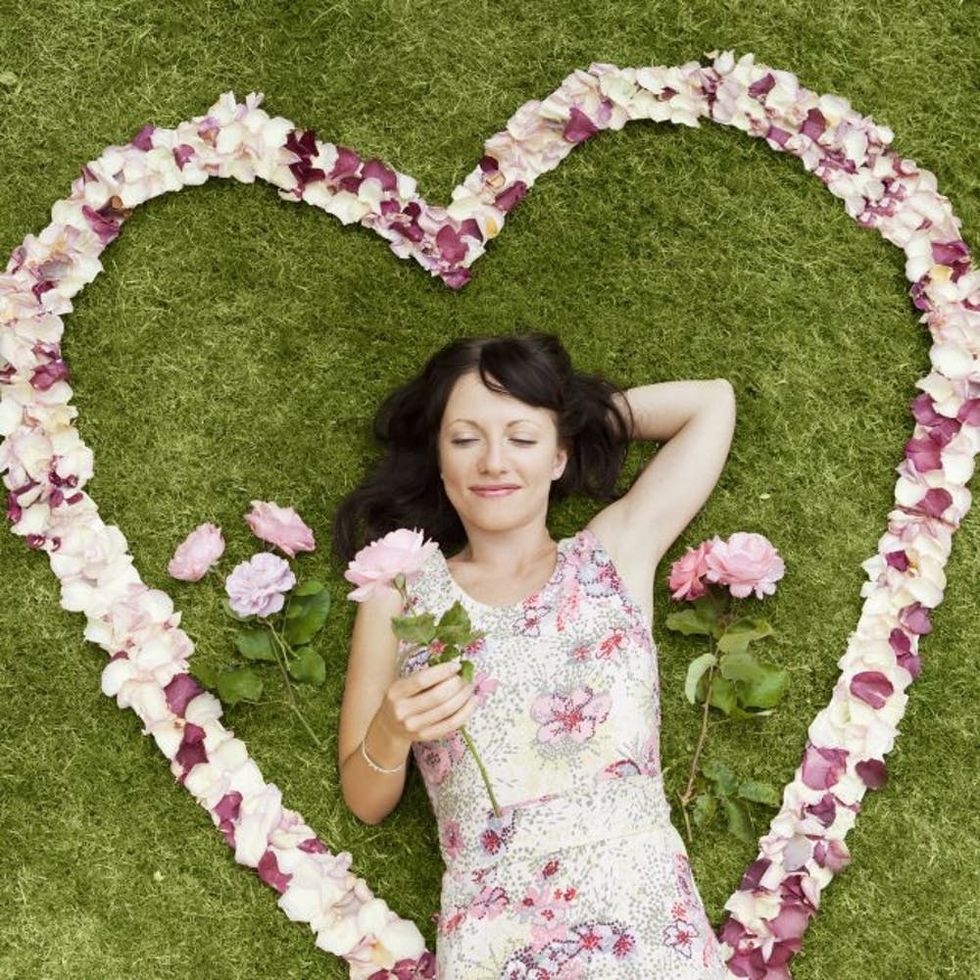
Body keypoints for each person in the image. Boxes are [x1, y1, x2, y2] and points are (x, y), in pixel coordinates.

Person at [333, 331, 736, 978]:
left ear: (558, 456)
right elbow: (365, 798)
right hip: (497, 943)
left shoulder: (616, 553)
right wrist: (392, 727)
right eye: (466, 439)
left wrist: (565, 418)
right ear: (440, 459)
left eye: (520, 440)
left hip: (650, 926)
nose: (493, 462)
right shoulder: (400, 591)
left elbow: (711, 404)